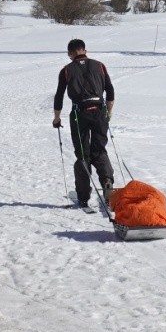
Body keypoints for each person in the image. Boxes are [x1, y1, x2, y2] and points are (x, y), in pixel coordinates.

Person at [52, 38, 115, 209]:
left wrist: (57, 118)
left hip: (80, 114)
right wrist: (108, 112)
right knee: (99, 150)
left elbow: (59, 96)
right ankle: (107, 180)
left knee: (83, 154)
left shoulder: (66, 70)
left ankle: (83, 196)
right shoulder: (100, 65)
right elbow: (110, 90)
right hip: (100, 111)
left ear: (70, 53)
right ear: (85, 50)